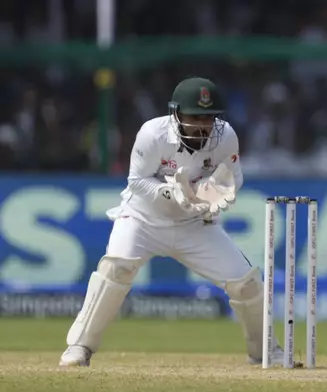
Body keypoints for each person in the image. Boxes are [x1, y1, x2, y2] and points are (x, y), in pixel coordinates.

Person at [59, 77, 286, 367]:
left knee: (247, 285)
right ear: (176, 113)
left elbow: (234, 176)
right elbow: (137, 181)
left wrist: (214, 189)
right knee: (115, 270)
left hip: (194, 224)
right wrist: (169, 192)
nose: (203, 125)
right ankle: (80, 346)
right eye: (195, 116)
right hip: (143, 219)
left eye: (209, 117)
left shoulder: (226, 136)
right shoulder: (152, 134)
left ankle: (266, 351)